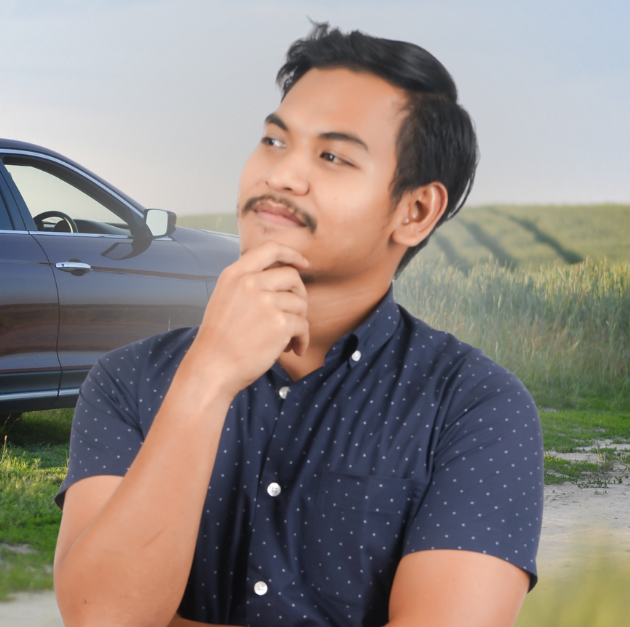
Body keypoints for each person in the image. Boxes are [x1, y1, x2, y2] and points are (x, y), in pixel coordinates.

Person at [52, 23, 543, 627]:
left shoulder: (476, 408)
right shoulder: (127, 382)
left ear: (415, 211)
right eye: (274, 141)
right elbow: (100, 616)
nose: (280, 175)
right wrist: (204, 381)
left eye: (333, 156)